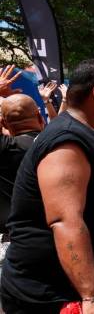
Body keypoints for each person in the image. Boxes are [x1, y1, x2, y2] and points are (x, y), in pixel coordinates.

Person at [1, 59, 94, 313]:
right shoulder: (66, 142)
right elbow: (66, 221)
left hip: (67, 286)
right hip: (46, 295)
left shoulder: (88, 134)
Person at [0, 95, 45, 233]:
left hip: (13, 237)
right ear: (40, 117)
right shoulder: (58, 144)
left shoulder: (6, 148)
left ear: (4, 124)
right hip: (53, 234)